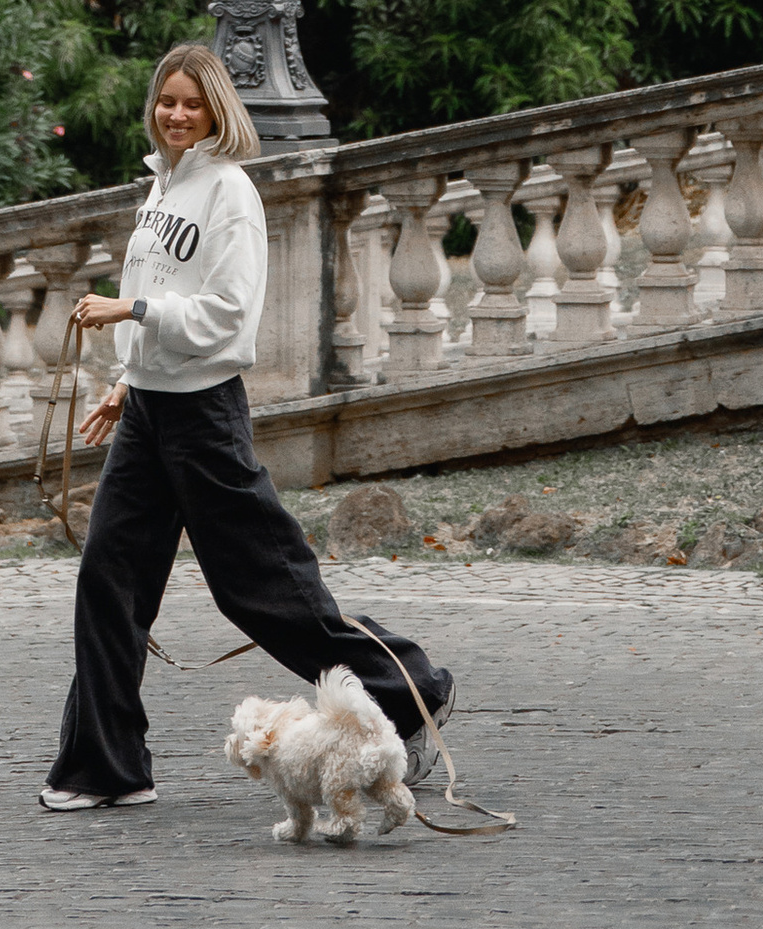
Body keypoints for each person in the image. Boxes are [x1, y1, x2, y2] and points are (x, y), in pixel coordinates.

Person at [41, 40, 455, 813]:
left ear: (217, 112)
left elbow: (230, 318)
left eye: (191, 103)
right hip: (150, 413)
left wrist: (129, 311)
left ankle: (412, 692)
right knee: (108, 580)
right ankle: (107, 766)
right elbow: (165, 289)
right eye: (167, 100)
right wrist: (127, 382)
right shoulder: (160, 191)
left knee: (263, 594)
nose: (175, 114)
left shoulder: (230, 192)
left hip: (203, 415)